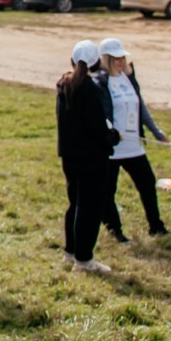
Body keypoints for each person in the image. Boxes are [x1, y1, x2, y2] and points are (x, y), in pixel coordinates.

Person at [96, 38, 168, 238]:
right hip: (113, 148)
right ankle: (115, 230)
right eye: (116, 58)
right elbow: (100, 113)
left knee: (147, 183)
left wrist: (155, 131)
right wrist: (110, 133)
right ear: (106, 59)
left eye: (122, 57)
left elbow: (140, 106)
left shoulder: (128, 77)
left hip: (133, 147)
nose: (120, 62)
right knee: (107, 191)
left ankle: (156, 225)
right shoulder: (101, 82)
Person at [55, 41, 115, 273]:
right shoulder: (91, 89)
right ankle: (84, 258)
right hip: (91, 157)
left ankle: (70, 251)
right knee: (89, 207)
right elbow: (97, 128)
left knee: (75, 203)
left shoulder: (64, 85)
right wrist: (112, 137)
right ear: (96, 63)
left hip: (70, 156)